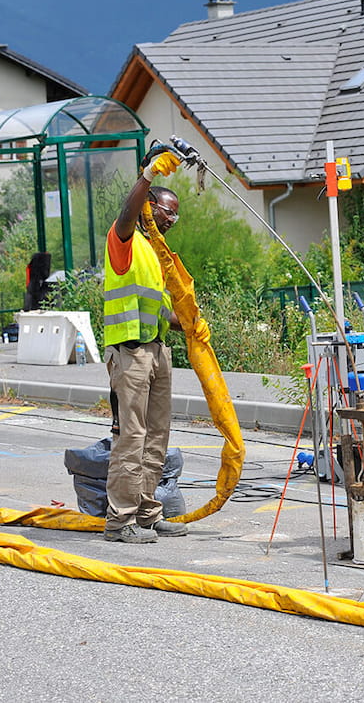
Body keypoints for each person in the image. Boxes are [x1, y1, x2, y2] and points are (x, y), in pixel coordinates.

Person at [102, 149, 209, 543]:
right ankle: (120, 521)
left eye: (176, 214)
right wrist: (147, 175)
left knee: (156, 436)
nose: (172, 219)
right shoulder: (125, 239)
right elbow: (127, 214)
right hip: (129, 352)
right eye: (167, 210)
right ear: (149, 207)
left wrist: (193, 327)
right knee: (131, 437)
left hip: (157, 350)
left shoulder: (156, 253)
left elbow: (160, 312)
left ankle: (147, 513)